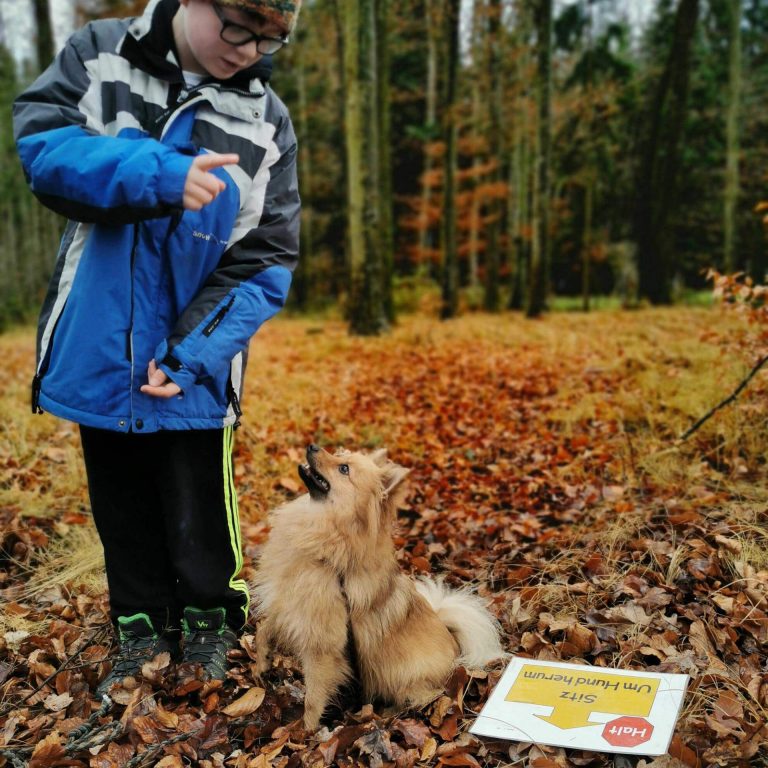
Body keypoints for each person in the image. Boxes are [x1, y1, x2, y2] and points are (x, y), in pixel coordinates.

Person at [13, 0, 301, 696]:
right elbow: (43, 147)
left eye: (269, 39)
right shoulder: (100, 55)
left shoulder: (267, 119)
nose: (247, 50)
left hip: (197, 358)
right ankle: (138, 627)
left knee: (198, 497)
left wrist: (192, 352)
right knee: (120, 500)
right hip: (98, 343)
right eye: (238, 27)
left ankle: (211, 623)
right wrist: (156, 172)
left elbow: (266, 257)